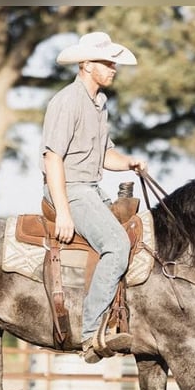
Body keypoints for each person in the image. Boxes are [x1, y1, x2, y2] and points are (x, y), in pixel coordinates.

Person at [40, 31, 147, 363]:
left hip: (91, 189)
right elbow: (52, 158)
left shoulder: (99, 104)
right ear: (86, 64)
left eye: (114, 61)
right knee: (117, 244)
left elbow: (104, 157)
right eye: (106, 61)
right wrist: (64, 211)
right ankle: (90, 334)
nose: (113, 67)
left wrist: (128, 162)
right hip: (71, 190)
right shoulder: (67, 101)